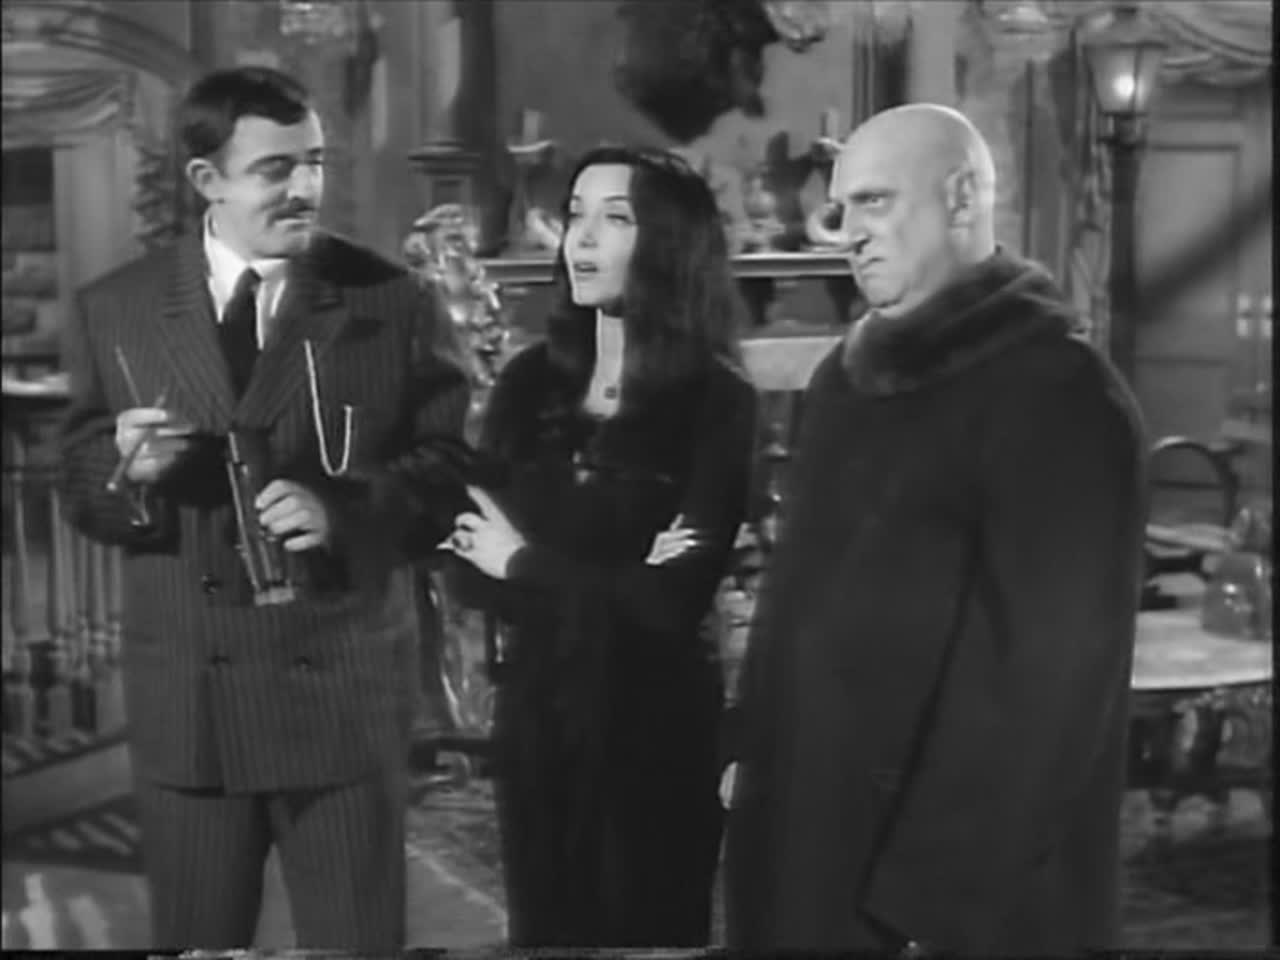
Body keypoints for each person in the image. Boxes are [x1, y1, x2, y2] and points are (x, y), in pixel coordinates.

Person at [58, 66, 474, 950]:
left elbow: (447, 472)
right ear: (206, 179)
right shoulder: (118, 309)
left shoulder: (392, 301)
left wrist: (347, 513)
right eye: (276, 168)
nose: (305, 187)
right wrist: (128, 472)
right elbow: (82, 479)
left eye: (314, 162)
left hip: (341, 698)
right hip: (193, 704)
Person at [723, 103, 1148, 955]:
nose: (849, 233)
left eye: (875, 201)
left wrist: (935, 905)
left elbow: (1044, 683)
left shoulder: (1060, 394)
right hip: (813, 827)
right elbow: (798, 604)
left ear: (959, 199)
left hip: (944, 886)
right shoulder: (842, 382)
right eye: (842, 208)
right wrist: (756, 751)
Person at [443, 145, 758, 947]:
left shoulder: (717, 401)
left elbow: (669, 603)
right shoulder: (528, 385)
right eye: (575, 214)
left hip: (657, 726)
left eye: (614, 218)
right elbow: (467, 568)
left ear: (668, 243)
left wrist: (526, 560)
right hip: (540, 717)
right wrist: (616, 574)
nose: (580, 237)